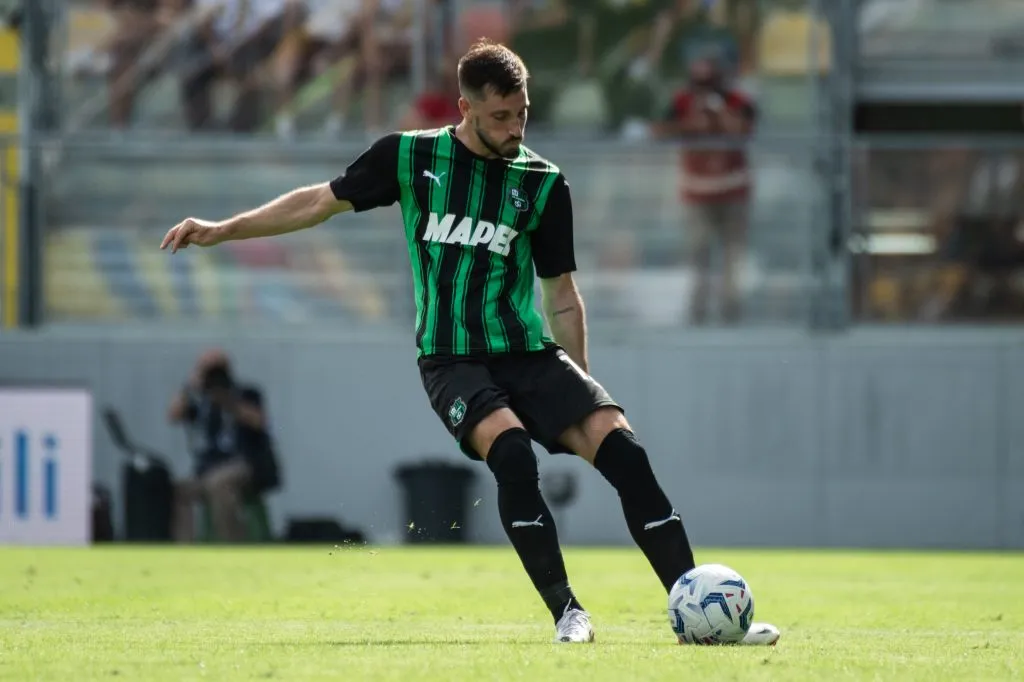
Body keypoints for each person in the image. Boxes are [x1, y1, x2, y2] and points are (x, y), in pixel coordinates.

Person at [159, 39, 779, 645]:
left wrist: (583, 391)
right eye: (501, 117)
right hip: (451, 359)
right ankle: (568, 612)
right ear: (466, 109)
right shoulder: (407, 158)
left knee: (624, 452)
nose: (515, 129)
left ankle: (698, 610)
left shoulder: (542, 183)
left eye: (523, 114)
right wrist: (221, 230)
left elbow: (561, 293)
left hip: (530, 354)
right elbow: (316, 204)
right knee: (512, 453)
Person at [168, 349, 280, 542]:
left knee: (219, 484)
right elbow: (174, 415)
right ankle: (184, 547)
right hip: (208, 469)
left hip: (245, 466)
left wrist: (228, 401)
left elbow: (258, 421)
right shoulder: (202, 401)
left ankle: (231, 545)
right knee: (178, 490)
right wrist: (190, 386)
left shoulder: (246, 393)